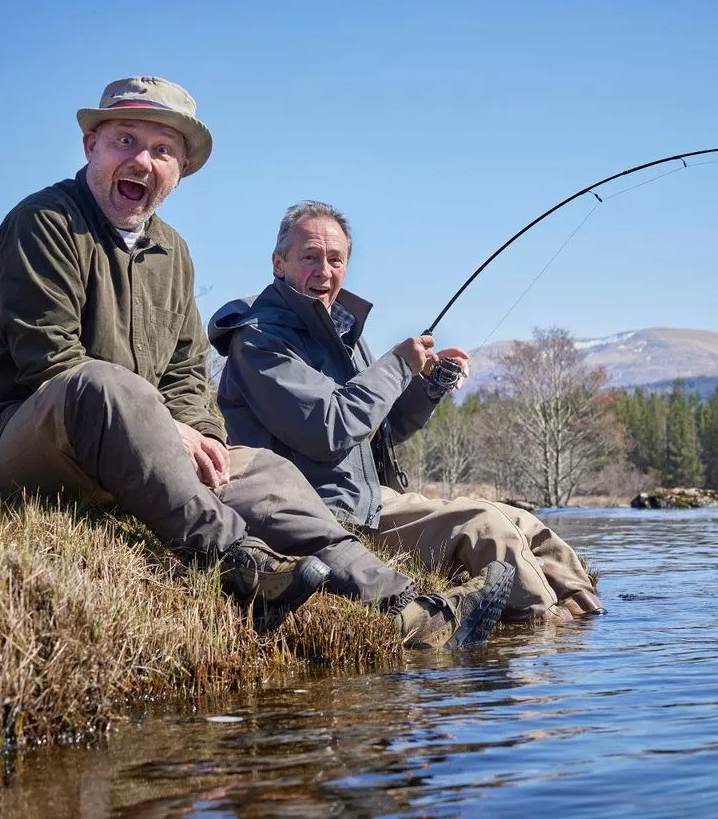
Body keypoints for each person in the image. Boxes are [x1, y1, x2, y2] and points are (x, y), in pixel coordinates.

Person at [0, 78, 512, 648]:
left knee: (266, 471)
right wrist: (168, 432)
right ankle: (242, 564)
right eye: (125, 140)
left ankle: (413, 609)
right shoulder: (45, 221)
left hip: (133, 454)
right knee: (104, 384)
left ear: (180, 170)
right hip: (7, 450)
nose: (142, 159)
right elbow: (51, 361)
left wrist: (204, 439)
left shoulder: (174, 252)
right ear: (92, 146)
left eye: (162, 150)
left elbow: (187, 376)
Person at [208, 199, 603, 624]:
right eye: (310, 257)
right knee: (487, 528)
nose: (323, 270)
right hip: (324, 515)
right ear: (278, 263)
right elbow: (329, 430)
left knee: (525, 524)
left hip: (368, 501)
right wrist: (397, 365)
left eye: (335, 259)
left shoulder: (343, 335)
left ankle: (589, 621)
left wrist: (427, 387)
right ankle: (539, 641)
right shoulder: (260, 341)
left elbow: (380, 430)